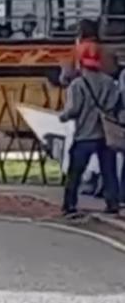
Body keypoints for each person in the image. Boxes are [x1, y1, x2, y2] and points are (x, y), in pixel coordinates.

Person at [59, 41, 121, 220]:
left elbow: (73, 110)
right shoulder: (109, 83)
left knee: (75, 172)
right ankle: (112, 204)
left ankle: (70, 204)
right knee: (108, 171)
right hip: (106, 134)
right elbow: (114, 106)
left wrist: (62, 116)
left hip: (84, 134)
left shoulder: (77, 85)